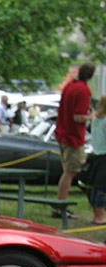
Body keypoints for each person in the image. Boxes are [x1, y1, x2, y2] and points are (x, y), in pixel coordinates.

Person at [55, 62, 96, 217]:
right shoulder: (83, 90)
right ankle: (60, 207)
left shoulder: (70, 85)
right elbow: (78, 117)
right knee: (70, 172)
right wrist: (92, 116)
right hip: (73, 136)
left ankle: (59, 206)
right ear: (90, 76)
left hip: (62, 132)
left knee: (68, 171)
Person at [87, 96, 106, 225]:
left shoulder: (95, 119)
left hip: (96, 154)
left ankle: (96, 214)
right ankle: (100, 216)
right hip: (105, 155)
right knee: (102, 187)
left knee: (95, 186)